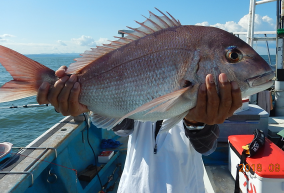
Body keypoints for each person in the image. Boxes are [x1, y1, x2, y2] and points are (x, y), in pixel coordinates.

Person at [37, 66, 242, 193]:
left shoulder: (207, 102)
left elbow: (205, 146)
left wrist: (196, 122)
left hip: (184, 186)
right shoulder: (143, 88)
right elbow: (123, 126)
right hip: (135, 186)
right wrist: (80, 100)